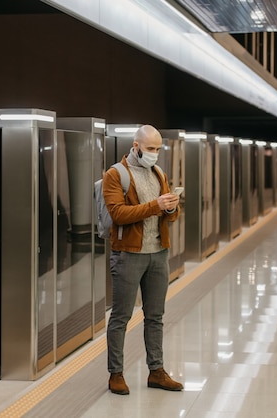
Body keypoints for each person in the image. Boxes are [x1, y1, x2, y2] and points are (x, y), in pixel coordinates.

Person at [103, 124, 183, 395]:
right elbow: (118, 214)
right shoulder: (116, 174)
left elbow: (169, 215)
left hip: (158, 253)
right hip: (128, 255)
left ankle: (157, 371)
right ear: (135, 146)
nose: (155, 154)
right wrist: (155, 206)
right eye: (150, 149)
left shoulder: (158, 172)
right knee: (121, 317)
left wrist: (171, 208)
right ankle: (116, 374)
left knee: (155, 316)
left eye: (158, 149)